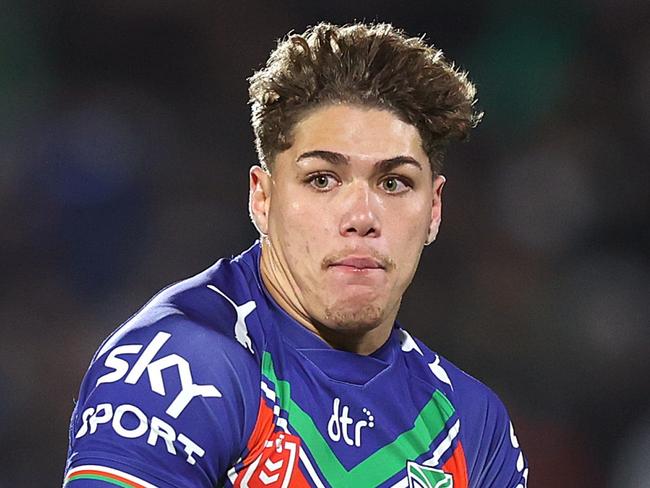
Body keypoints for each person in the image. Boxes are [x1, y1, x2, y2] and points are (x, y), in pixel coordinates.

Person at [63, 22, 528, 488]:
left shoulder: (470, 425)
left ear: (434, 209)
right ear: (262, 199)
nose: (362, 217)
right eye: (322, 179)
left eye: (394, 183)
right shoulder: (182, 365)